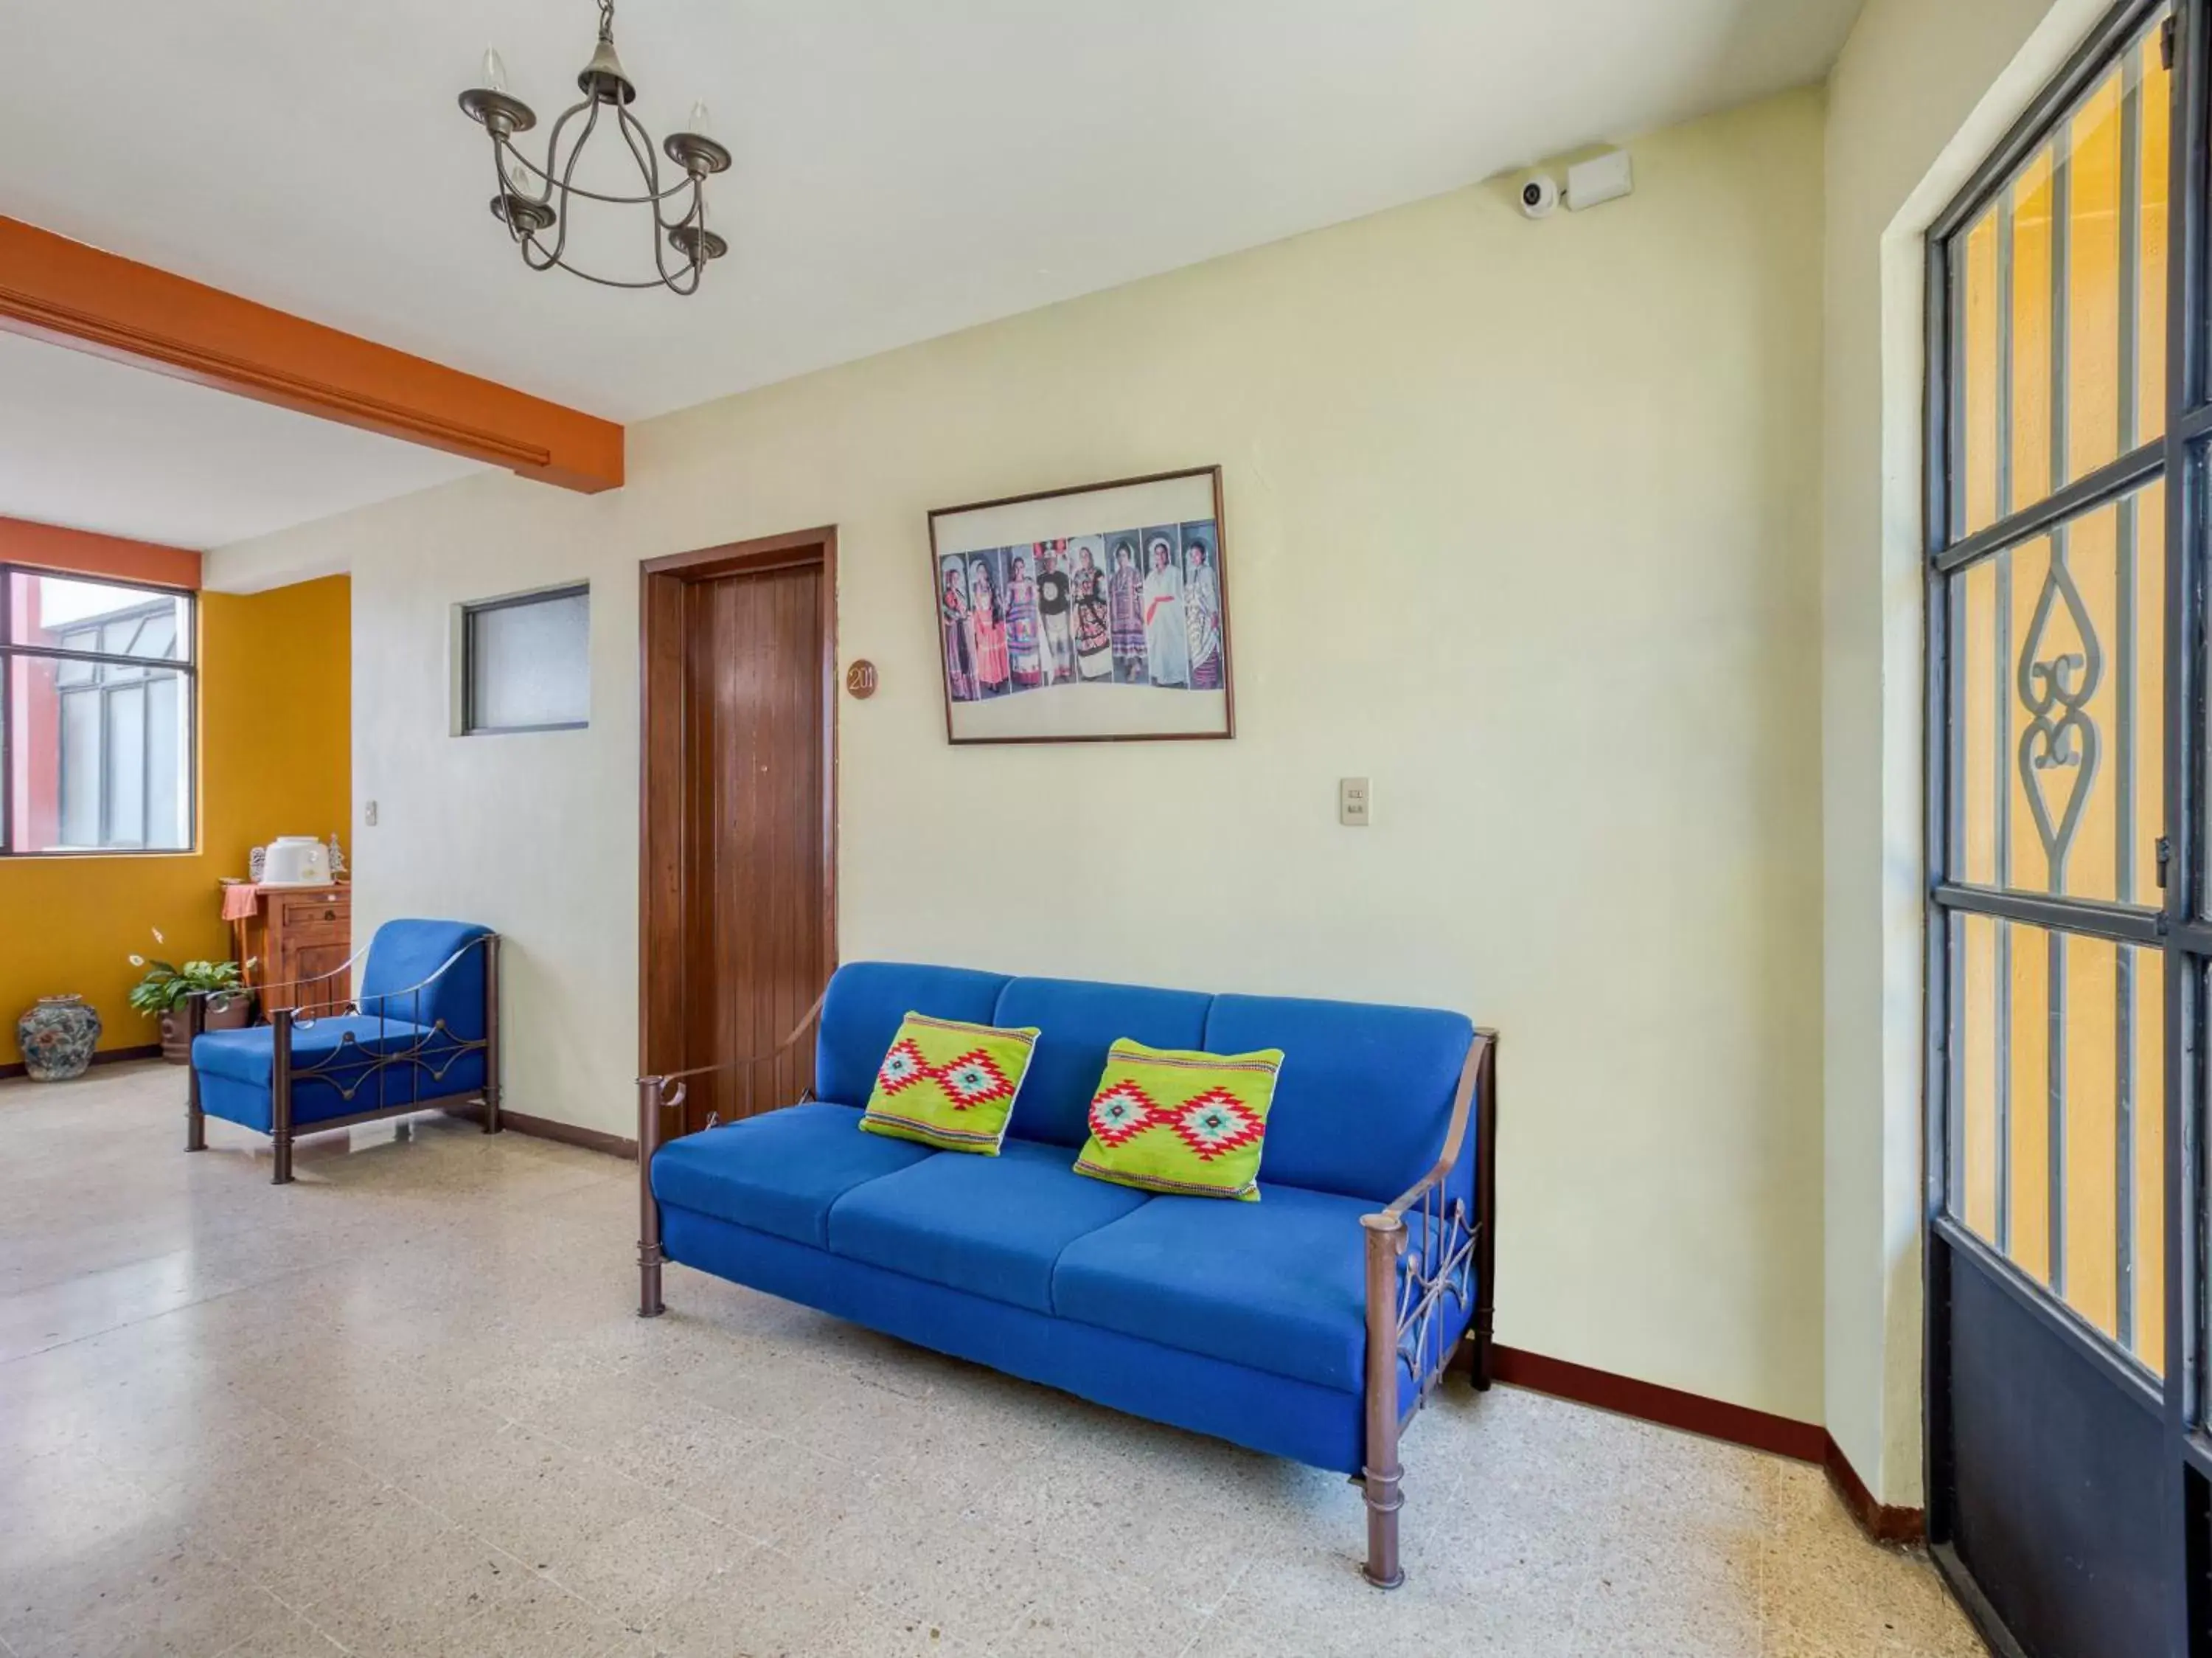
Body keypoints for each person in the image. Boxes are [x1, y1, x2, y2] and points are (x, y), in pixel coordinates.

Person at [1141, 535, 1190, 687]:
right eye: (1157, 553)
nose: (1160, 556)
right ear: (1154, 556)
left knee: (1174, 643)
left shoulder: (1175, 572)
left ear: (1167, 554)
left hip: (1172, 613)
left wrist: (1180, 612)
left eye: (1163, 553)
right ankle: (1161, 675)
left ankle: (1177, 675)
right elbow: (1148, 595)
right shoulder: (1151, 576)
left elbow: (1182, 594)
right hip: (1157, 615)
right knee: (1160, 645)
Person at [1183, 536, 1223, 690]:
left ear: (1203, 555)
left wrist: (1214, 615)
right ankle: (1201, 679)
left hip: (1206, 617)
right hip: (1194, 620)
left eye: (1197, 554)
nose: (1194, 558)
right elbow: (1188, 596)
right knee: (1196, 649)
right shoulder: (1190, 572)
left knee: (1209, 646)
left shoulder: (1208, 571)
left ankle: (1211, 679)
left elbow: (1211, 594)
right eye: (1192, 555)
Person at [968, 558, 1010, 696]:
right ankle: (990, 680)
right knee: (986, 654)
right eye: (979, 572)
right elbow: (976, 607)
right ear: (977, 574)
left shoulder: (992, 586)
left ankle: (996, 681)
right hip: (982, 622)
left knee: (995, 653)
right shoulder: (975, 588)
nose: (981, 574)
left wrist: (1003, 607)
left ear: (987, 573)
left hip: (992, 621)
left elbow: (998, 602)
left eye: (983, 571)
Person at [1108, 539, 1147, 684]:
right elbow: (1112, 598)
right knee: (1125, 644)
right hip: (1119, 617)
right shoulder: (1114, 577)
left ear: (1128, 557)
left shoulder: (1135, 573)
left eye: (1124, 555)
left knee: (1133, 644)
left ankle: (1134, 668)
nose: (1121, 558)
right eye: (1119, 556)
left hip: (1133, 615)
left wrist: (1143, 613)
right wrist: (1112, 617)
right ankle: (1134, 665)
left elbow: (1140, 594)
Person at [1073, 544, 1113, 681]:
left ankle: (1103, 669)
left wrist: (1103, 607)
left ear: (1090, 557)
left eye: (1086, 555)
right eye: (1081, 556)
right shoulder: (1077, 574)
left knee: (1099, 640)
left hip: (1095, 608)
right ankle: (1089, 672)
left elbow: (1103, 591)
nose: (1084, 558)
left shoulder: (1098, 572)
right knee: (1084, 642)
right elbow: (1074, 593)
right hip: (1081, 612)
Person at [1036, 545, 1075, 684]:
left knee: (1064, 645)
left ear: (1056, 562)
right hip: (1048, 617)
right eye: (1047, 561)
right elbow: (1037, 596)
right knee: (1052, 647)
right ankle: (1056, 672)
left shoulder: (1062, 576)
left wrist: (1072, 568)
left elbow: (1070, 591)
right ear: (1044, 563)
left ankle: (1066, 671)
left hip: (1061, 615)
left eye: (1052, 561)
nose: (1050, 563)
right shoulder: (1040, 579)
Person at [1005, 554, 1044, 690]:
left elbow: (1035, 599)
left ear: (1024, 568)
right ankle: (1023, 680)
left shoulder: (1029, 582)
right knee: (1021, 655)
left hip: (1029, 620)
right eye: (1016, 568)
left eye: (1021, 567)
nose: (1018, 570)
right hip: (1016, 622)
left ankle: (1033, 679)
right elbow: (1007, 603)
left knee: (1031, 652)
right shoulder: (1010, 586)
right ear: (1013, 569)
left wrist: (1035, 595)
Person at [939, 564, 976, 702]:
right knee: (956, 657)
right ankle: (958, 691)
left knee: (965, 656)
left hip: (963, 627)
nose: (955, 580)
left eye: (957, 578)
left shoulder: (959, 593)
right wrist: (957, 615)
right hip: (955, 629)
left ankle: (967, 689)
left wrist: (967, 613)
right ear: (949, 579)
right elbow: (951, 610)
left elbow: (964, 609)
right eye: (953, 578)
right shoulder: (947, 594)